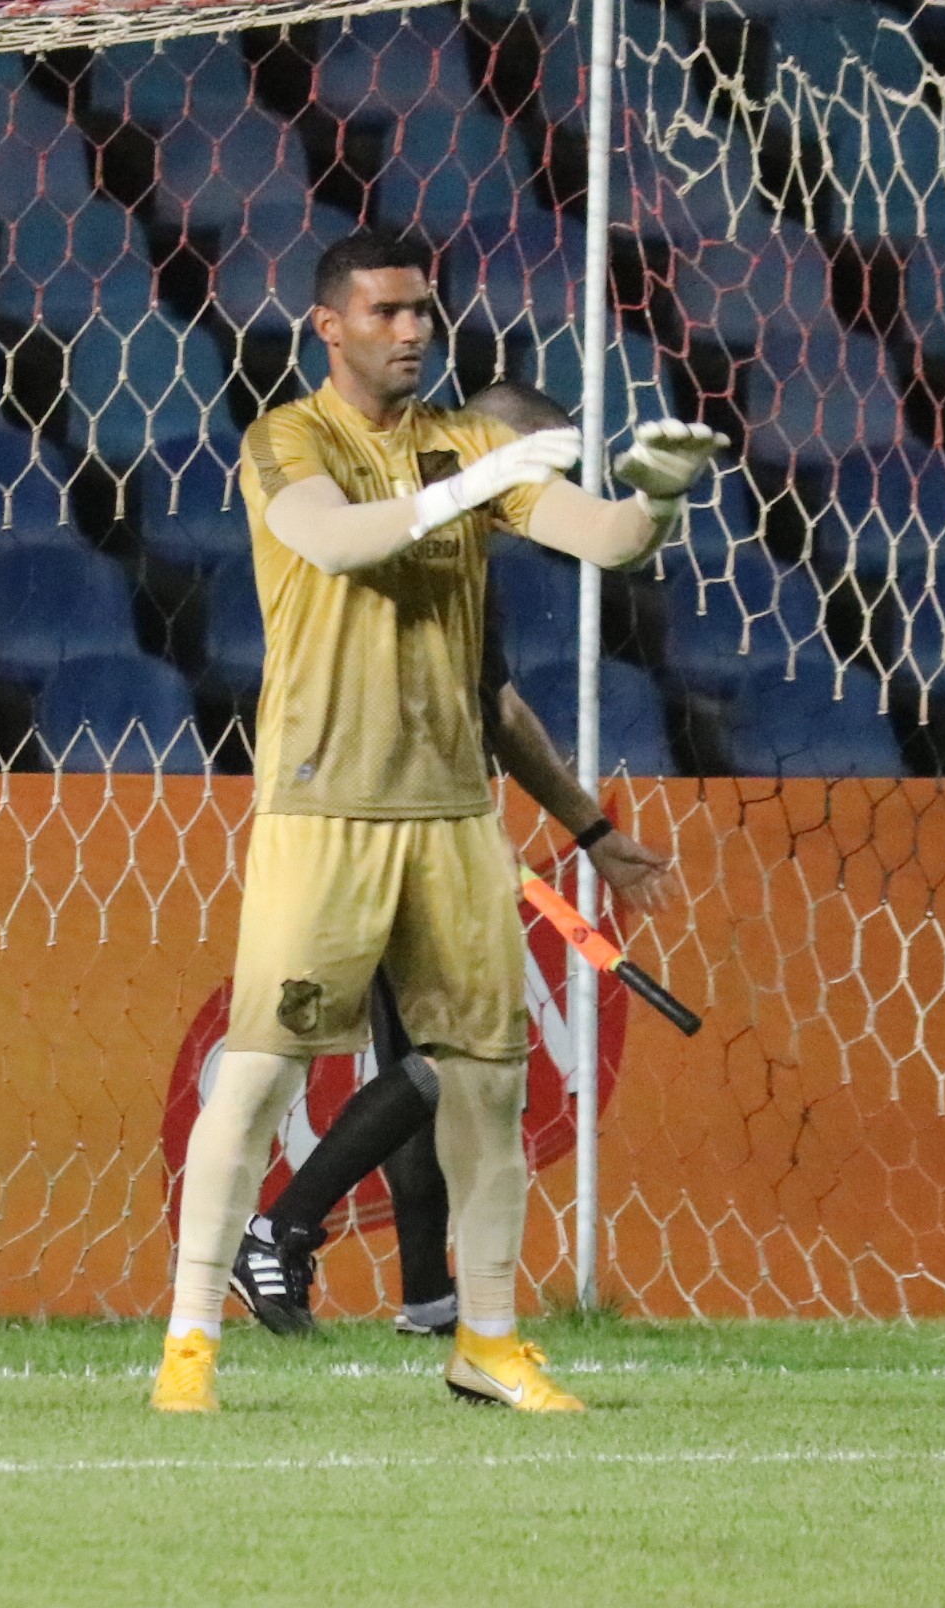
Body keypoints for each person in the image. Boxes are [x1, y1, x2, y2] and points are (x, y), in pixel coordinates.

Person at [151, 231, 725, 1414]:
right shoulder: (288, 440)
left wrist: (656, 495)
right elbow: (339, 540)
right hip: (325, 808)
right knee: (259, 1072)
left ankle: (489, 1341)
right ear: (330, 325)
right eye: (387, 312)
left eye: (424, 311)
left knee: (488, 1084)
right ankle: (190, 1342)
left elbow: (604, 538)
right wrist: (468, 484)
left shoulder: (468, 444)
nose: (413, 330)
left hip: (456, 820)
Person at [228, 379, 679, 1344]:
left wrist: (586, 833)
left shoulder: (465, 557)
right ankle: (279, 1227)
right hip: (362, 826)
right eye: (542, 465)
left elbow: (491, 708)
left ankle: (426, 1298)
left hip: (437, 826)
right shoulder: (402, 532)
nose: (542, 499)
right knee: (437, 1062)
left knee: (419, 1067)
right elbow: (498, 712)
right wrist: (574, 826)